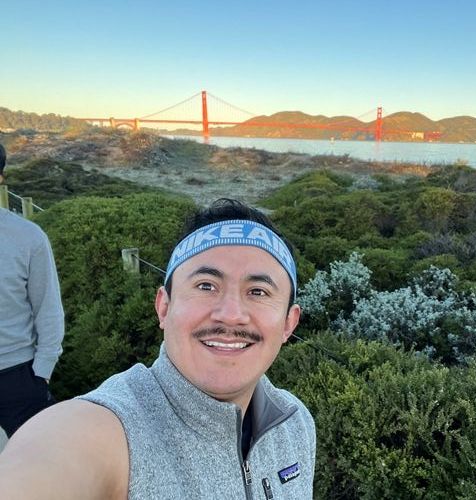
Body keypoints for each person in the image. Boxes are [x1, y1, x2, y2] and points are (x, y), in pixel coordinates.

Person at [0, 197, 316, 499]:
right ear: (164, 307)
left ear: (289, 323)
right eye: (206, 286)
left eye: (258, 291)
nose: (231, 314)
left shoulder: (295, 423)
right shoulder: (110, 429)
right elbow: (48, 462)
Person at [0, 143, 65, 439]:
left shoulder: (29, 237)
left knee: (45, 459)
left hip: (19, 376)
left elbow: (48, 308)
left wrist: (42, 372)